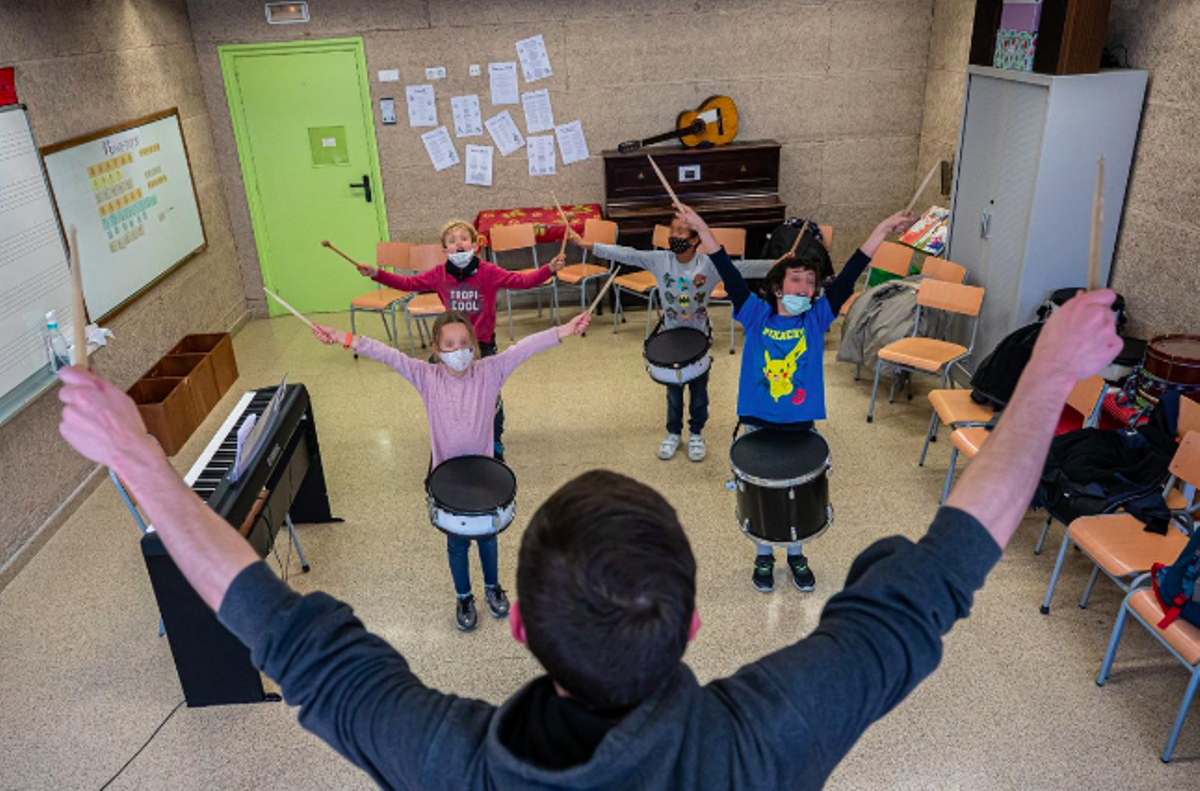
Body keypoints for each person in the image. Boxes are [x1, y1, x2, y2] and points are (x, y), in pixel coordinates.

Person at [56, 289, 1121, 789]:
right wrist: (1047, 371)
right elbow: (940, 570)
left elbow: (275, 624)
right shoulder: (762, 746)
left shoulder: (446, 760)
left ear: (517, 622)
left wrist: (141, 459)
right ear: (697, 619)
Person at [678, 204, 915, 594]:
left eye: (810, 282)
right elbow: (725, 266)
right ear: (776, 287)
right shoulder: (754, 314)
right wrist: (701, 226)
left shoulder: (815, 319)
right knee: (759, 497)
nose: (804, 288)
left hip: (800, 426)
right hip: (757, 424)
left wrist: (883, 228)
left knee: (798, 493)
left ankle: (797, 554)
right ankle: (764, 555)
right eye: (796, 280)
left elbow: (854, 268)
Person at [309, 308, 590, 631]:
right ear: (436, 349)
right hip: (447, 481)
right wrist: (343, 337)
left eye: (464, 342)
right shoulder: (426, 377)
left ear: (474, 343)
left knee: (487, 537)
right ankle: (464, 596)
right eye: (449, 344)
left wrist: (564, 330)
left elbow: (525, 347)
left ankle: (493, 587)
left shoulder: (491, 371)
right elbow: (385, 354)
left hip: (484, 476)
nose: (459, 351)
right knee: (456, 543)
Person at [355, 220, 567, 459]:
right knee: (439, 390)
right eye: (452, 241)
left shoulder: (489, 272)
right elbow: (408, 284)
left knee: (491, 394)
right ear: (444, 250)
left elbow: (523, 281)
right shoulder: (438, 275)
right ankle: (449, 435)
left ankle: (494, 439)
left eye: (463, 239)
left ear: (475, 245)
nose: (458, 244)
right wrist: (376, 274)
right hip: (449, 345)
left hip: (481, 345)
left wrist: (548, 269)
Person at [568, 216, 720, 462]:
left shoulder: (710, 265)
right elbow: (626, 253)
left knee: (699, 392)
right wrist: (589, 246)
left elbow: (745, 269)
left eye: (680, 232)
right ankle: (673, 433)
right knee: (673, 391)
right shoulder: (660, 260)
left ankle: (696, 433)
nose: (674, 237)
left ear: (695, 240)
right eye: (672, 231)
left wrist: (777, 265)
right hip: (670, 337)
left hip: (699, 339)